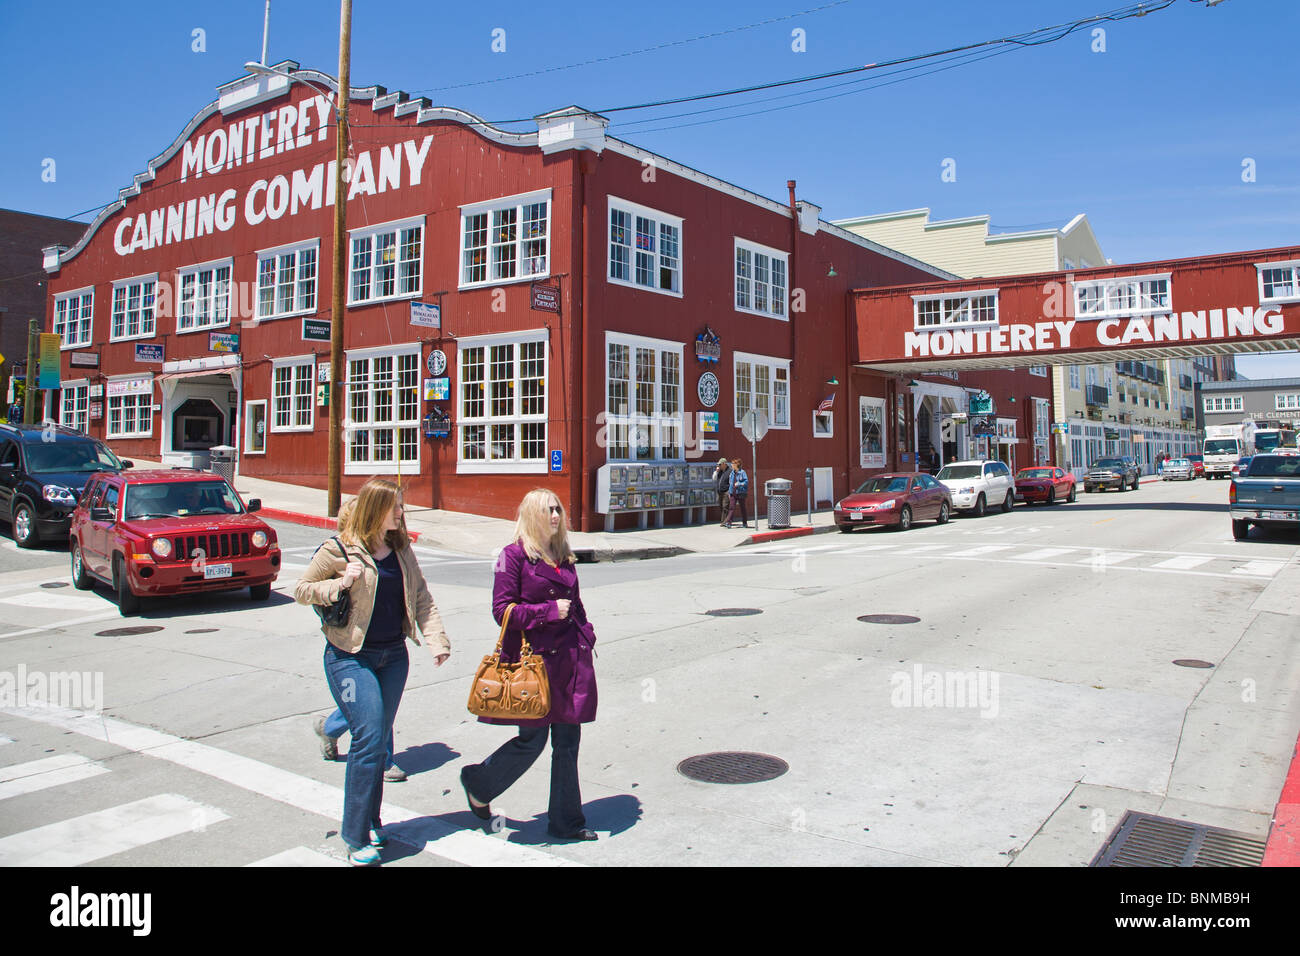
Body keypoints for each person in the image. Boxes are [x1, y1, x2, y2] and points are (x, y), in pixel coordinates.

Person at [295, 478, 451, 866]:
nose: (402, 512)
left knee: (379, 737)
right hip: (349, 657)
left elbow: (421, 597)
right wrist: (337, 586)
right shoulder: (338, 549)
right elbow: (301, 588)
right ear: (376, 509)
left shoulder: (401, 549)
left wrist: (437, 640)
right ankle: (355, 834)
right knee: (367, 738)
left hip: (393, 656)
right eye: (396, 506)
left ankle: (372, 820)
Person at [460, 489, 599, 842]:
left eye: (558, 509)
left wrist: (587, 632)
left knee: (568, 741)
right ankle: (478, 783)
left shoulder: (563, 555)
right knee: (532, 740)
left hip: (569, 659)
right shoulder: (512, 557)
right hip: (532, 664)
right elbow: (501, 611)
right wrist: (548, 612)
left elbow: (576, 603)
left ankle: (567, 821)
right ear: (531, 515)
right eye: (548, 510)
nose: (555, 515)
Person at [311, 498, 407, 782]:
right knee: (371, 708)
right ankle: (385, 759)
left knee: (376, 706)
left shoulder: (387, 551)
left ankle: (329, 728)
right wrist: (340, 586)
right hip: (351, 648)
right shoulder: (336, 551)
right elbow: (309, 590)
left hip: (389, 646)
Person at [723, 458, 750, 529]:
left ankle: (745, 523)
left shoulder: (742, 472)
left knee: (742, 508)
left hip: (741, 492)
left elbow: (746, 482)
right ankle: (729, 523)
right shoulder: (732, 473)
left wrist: (739, 484)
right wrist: (729, 492)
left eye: (733, 464)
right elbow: (730, 483)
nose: (731, 465)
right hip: (733, 493)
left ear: (736, 465)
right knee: (731, 507)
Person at [712, 457, 731, 525]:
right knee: (721, 506)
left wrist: (729, 491)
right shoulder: (719, 471)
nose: (718, 466)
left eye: (720, 464)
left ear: (724, 464)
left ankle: (724, 521)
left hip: (726, 491)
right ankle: (727, 520)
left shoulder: (729, 471)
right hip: (720, 491)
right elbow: (714, 478)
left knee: (725, 506)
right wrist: (716, 471)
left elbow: (731, 482)